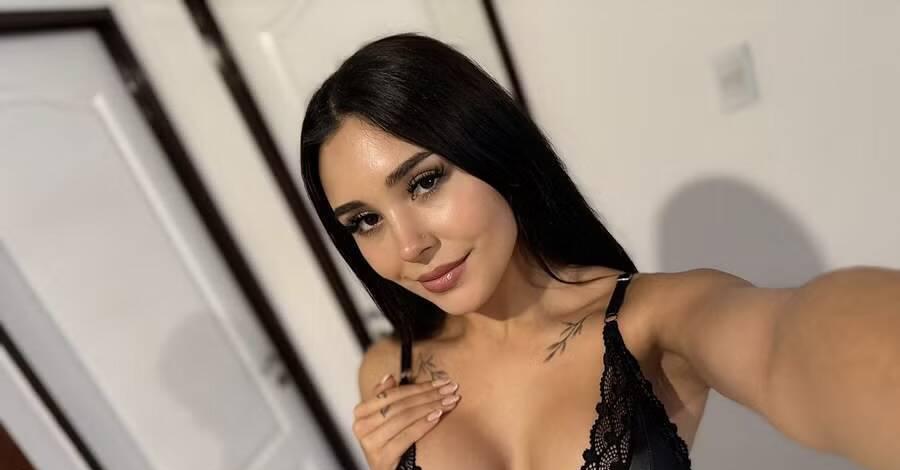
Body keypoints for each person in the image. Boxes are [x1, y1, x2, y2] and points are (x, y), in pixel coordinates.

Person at [299, 33, 900, 470]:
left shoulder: (656, 321)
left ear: (492, 149)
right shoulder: (388, 374)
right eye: (366, 221)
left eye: (425, 182)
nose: (410, 245)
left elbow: (790, 339)